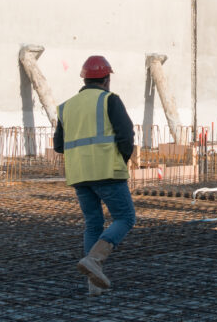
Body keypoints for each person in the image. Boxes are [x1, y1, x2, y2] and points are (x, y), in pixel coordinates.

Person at [53, 54, 136, 296]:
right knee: (125, 218)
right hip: (107, 171)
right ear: (106, 79)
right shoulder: (109, 100)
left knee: (93, 224)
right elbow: (126, 135)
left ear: (85, 79)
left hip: (79, 175)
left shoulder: (66, 106)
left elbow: (59, 145)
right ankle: (95, 260)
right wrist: (121, 159)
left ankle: (93, 284)